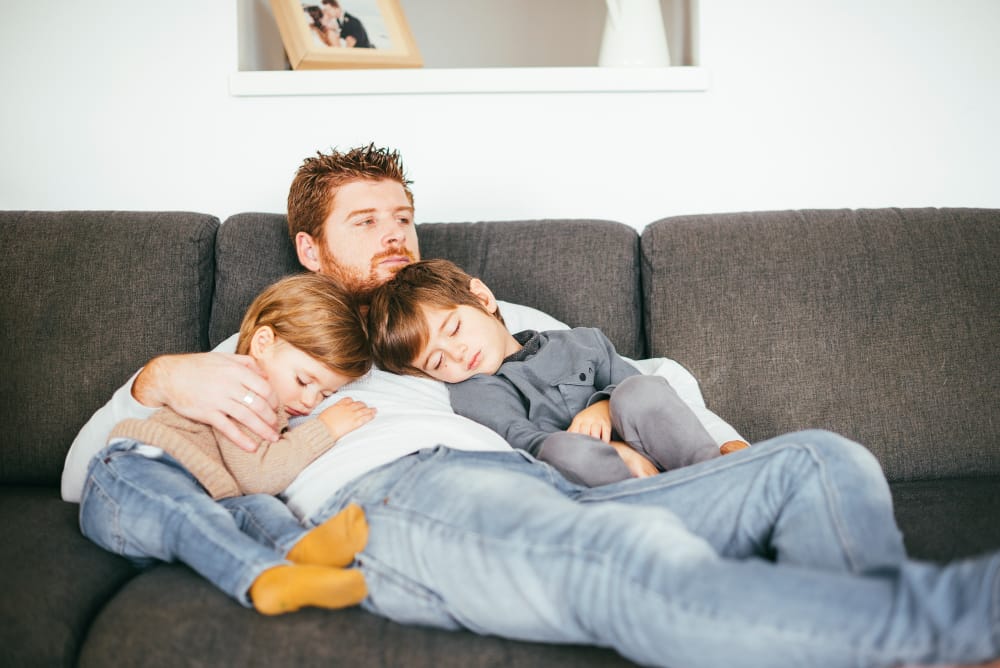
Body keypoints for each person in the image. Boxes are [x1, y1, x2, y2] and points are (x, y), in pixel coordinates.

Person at [62, 145, 1000, 667]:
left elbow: (638, 372)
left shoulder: (492, 310)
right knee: (628, 560)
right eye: (365, 221)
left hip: (579, 483)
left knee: (819, 460)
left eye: (403, 215)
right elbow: (97, 471)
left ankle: (881, 643)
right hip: (416, 495)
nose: (393, 235)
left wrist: (718, 449)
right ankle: (954, 622)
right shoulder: (270, 336)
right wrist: (160, 378)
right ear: (310, 250)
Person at [79, 274, 376, 615]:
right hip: (133, 476)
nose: (310, 402)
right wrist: (324, 428)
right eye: (304, 380)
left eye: (326, 394)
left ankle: (300, 549)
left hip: (193, 503)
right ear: (263, 343)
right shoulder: (242, 384)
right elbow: (260, 474)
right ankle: (264, 577)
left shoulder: (273, 406)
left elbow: (252, 488)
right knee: (195, 510)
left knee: (259, 508)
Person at [367, 258, 749, 486]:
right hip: (599, 476)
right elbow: (522, 439)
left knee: (641, 391)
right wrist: (609, 448)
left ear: (483, 299)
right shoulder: (475, 391)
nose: (456, 354)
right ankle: (647, 500)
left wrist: (603, 405)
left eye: (453, 329)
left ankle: (715, 472)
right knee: (559, 449)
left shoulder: (581, 342)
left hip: (663, 446)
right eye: (436, 362)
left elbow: (643, 384)